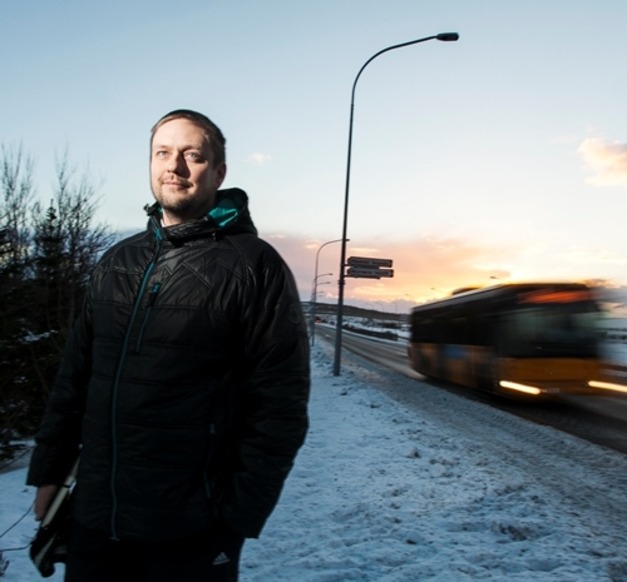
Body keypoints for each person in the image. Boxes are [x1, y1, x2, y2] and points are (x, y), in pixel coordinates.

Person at [27, 109, 310, 581]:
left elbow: (280, 404)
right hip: (96, 519)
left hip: (192, 533)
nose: (174, 166)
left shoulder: (255, 267)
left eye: (192, 155)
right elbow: (73, 380)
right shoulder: (116, 262)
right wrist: (49, 473)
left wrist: (236, 517)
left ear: (218, 172)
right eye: (163, 152)